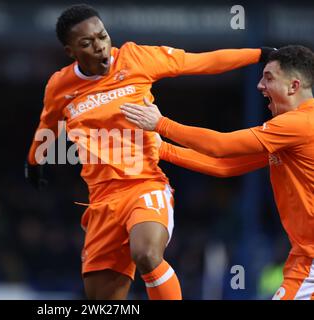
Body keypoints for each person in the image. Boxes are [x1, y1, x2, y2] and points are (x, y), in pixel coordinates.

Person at [26, 3, 272, 300]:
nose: (101, 47)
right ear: (70, 51)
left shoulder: (136, 58)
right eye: (87, 43)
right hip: (101, 201)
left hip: (144, 184)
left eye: (103, 36)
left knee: (145, 252)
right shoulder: (59, 86)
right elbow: (48, 125)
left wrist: (260, 55)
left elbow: (201, 62)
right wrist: (34, 160)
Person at [120, 45, 314, 300]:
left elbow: (221, 146)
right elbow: (226, 166)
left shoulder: (298, 124)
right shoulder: (293, 133)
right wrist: (163, 150)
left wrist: (161, 124)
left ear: (293, 86)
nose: (260, 86)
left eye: (268, 78)